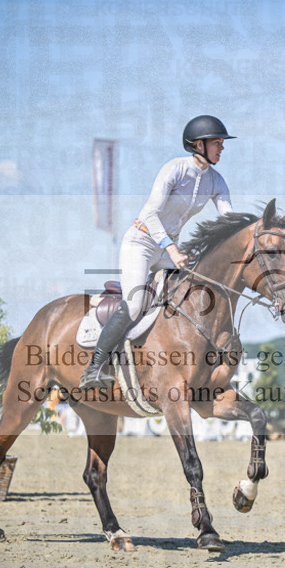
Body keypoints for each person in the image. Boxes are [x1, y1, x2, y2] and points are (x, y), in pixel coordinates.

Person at [80, 115, 236, 391]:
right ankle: (94, 367)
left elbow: (229, 223)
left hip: (169, 248)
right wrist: (172, 249)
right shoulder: (174, 169)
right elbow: (150, 214)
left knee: (190, 297)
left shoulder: (217, 181)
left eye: (222, 143)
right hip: (141, 242)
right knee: (137, 303)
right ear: (199, 144)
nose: (222, 148)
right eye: (217, 143)